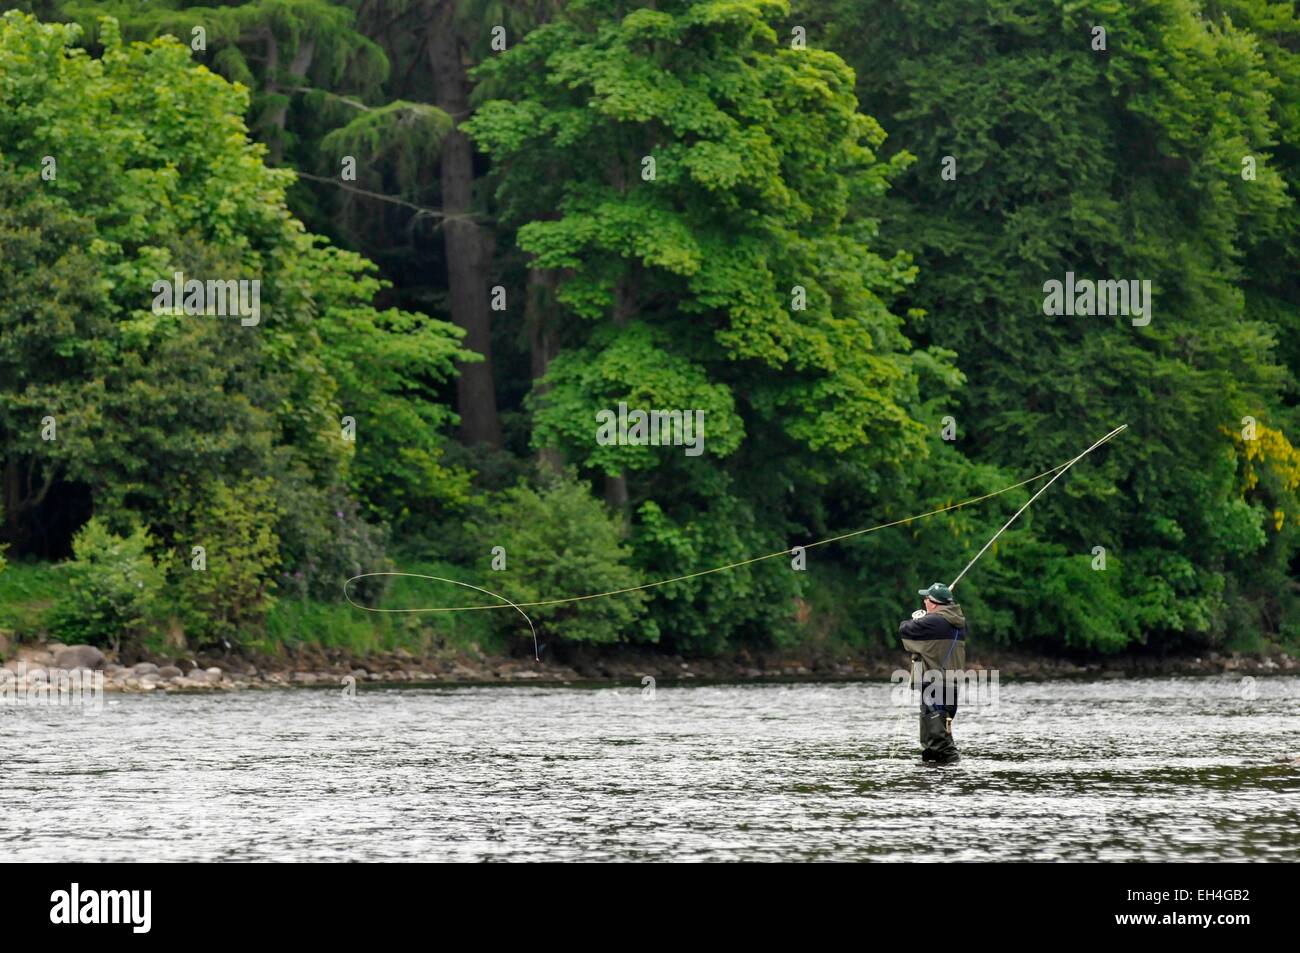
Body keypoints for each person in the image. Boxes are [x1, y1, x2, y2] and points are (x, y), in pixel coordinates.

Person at [899, 582, 966, 765]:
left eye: (926, 599)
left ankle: (956, 771)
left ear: (934, 603)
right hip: (950, 685)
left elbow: (904, 629)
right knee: (934, 741)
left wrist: (917, 619)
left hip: (934, 684)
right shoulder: (958, 622)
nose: (924, 601)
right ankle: (937, 775)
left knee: (937, 740)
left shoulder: (934, 621)